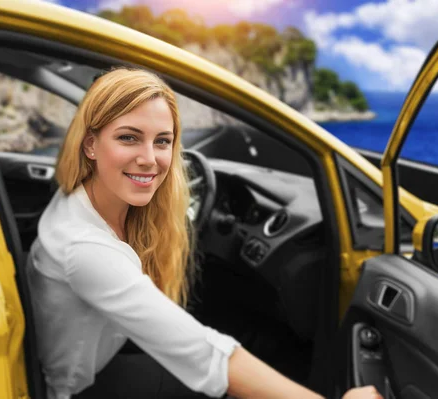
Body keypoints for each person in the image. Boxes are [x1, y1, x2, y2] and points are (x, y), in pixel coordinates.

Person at [26, 67, 382, 399]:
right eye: (128, 138)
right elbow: (205, 355)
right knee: (243, 358)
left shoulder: (82, 195)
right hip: (76, 388)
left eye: (162, 141)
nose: (149, 159)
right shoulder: (86, 248)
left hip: (93, 355)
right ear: (90, 145)